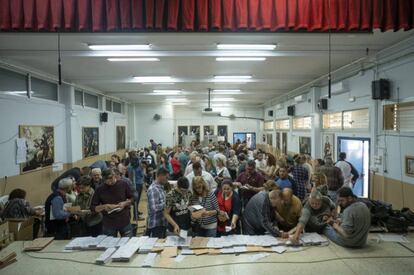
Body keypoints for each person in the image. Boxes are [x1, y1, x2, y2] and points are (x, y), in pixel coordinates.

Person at [91, 169, 133, 237]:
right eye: (106, 179)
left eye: (111, 178)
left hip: (124, 220)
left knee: (128, 243)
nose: (109, 181)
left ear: (114, 176)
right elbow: (92, 207)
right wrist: (104, 206)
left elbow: (133, 198)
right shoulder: (100, 189)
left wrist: (125, 203)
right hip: (109, 223)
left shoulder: (123, 184)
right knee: (110, 246)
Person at [147, 168, 169, 238]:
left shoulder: (160, 187)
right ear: (160, 176)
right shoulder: (153, 189)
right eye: (166, 177)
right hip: (156, 225)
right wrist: (167, 203)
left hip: (162, 223)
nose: (167, 179)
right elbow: (154, 208)